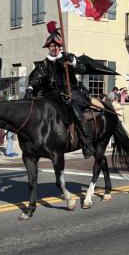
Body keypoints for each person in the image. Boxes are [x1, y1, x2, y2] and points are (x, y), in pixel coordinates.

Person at [25, 21, 96, 158]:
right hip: (53, 95)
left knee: (73, 109)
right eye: (50, 46)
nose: (52, 48)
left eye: (54, 45)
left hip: (72, 92)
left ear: (59, 46)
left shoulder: (67, 58)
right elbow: (36, 75)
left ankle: (87, 142)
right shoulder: (46, 63)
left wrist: (72, 62)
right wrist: (30, 87)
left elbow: (82, 68)